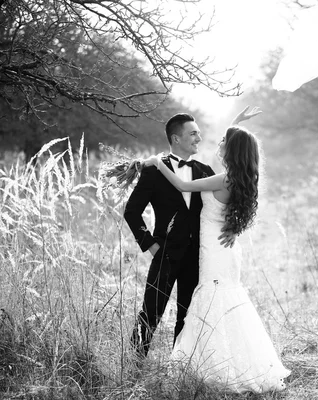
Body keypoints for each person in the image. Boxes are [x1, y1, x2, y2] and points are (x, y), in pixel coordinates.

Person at [141, 117, 290, 393]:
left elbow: (184, 186)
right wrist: (237, 123)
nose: (215, 142)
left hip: (212, 250)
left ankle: (211, 367)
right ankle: (223, 362)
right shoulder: (239, 179)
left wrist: (158, 161)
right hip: (222, 249)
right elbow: (231, 150)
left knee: (209, 303)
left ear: (231, 150)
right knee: (222, 302)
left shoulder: (220, 177)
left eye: (224, 141)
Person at [124, 108, 257, 359]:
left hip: (199, 255)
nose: (198, 138)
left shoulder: (205, 170)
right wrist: (151, 245)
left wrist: (234, 228)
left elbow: (233, 178)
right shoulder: (153, 171)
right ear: (176, 139)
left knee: (188, 314)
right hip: (164, 252)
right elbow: (131, 211)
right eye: (193, 134)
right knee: (151, 310)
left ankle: (180, 365)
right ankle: (134, 362)